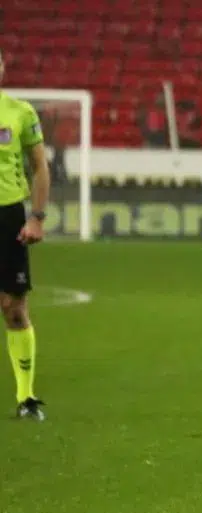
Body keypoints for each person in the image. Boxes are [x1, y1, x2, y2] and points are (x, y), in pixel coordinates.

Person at [0, 51, 48, 420]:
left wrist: (37, 218)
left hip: (8, 216)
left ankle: (26, 398)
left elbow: (39, 167)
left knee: (14, 308)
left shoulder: (20, 112)